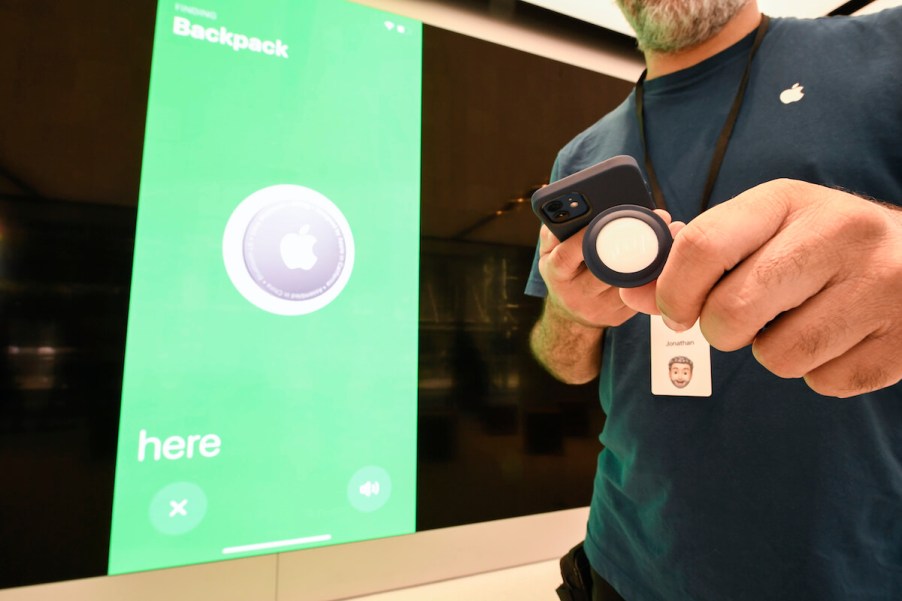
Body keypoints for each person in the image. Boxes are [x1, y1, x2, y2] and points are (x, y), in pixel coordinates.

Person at [525, 1, 902, 600]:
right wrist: (572, 314)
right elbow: (562, 363)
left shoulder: (889, 49)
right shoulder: (582, 157)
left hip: (850, 569)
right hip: (623, 563)